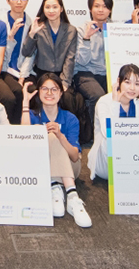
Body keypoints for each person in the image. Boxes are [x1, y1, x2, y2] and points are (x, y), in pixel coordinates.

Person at [22, 74, 92, 229]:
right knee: (47, 136)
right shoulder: (33, 116)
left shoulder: (70, 118)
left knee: (54, 137)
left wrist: (61, 137)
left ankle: (70, 195)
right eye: (45, 89)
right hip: (40, 169)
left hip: (71, 168)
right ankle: (60, 189)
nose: (49, 93)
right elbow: (24, 142)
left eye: (54, 89)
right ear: (39, 92)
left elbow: (75, 156)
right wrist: (25, 104)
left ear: (61, 93)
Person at [89, 64, 139, 180]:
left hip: (131, 156)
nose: (132, 88)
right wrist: (115, 103)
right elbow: (108, 133)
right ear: (118, 82)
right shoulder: (104, 102)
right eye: (127, 82)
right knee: (110, 139)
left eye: (137, 84)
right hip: (105, 161)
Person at [74, 0, 113, 144]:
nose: (101, 10)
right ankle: (95, 136)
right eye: (96, 6)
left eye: (105, 6)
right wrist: (87, 38)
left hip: (108, 73)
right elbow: (82, 61)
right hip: (85, 73)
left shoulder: (115, 29)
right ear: (90, 9)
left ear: (110, 9)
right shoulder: (82, 29)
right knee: (98, 95)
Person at [22, 0, 78, 92]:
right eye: (47, 7)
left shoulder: (71, 30)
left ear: (61, 9)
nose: (51, 11)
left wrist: (64, 83)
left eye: (55, 7)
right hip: (40, 75)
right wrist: (32, 34)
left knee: (68, 98)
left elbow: (70, 59)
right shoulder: (37, 27)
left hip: (61, 75)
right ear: (43, 9)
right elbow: (26, 52)